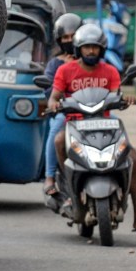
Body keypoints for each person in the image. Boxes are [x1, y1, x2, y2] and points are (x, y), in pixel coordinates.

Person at [47, 24, 136, 232]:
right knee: (58, 141)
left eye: (95, 47)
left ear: (101, 49)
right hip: (76, 123)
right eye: (86, 47)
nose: (91, 51)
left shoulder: (110, 71)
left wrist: (125, 100)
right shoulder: (65, 70)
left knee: (135, 161)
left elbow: (115, 94)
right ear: (78, 49)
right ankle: (67, 194)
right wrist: (55, 105)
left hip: (105, 123)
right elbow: (53, 98)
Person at [42, 12, 81, 197]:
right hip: (65, 113)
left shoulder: (93, 61)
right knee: (56, 129)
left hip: (91, 112)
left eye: (73, 36)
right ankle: (49, 176)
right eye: (65, 37)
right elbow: (50, 92)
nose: (70, 40)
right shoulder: (55, 64)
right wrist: (59, 102)